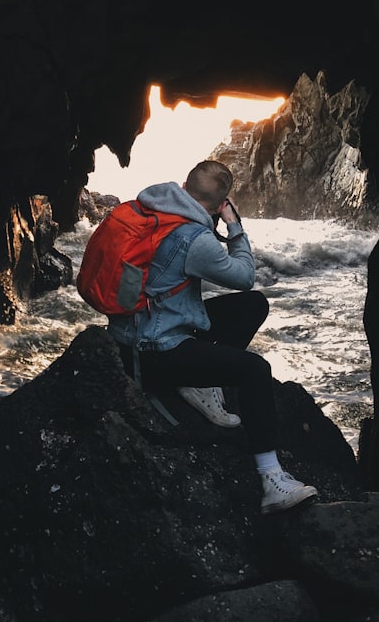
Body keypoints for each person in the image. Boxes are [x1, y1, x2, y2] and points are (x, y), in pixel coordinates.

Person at [107, 160, 319, 515]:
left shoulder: (152, 207)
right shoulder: (195, 239)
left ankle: (198, 386)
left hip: (131, 332)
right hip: (158, 351)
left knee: (253, 306)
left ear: (185, 185)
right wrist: (234, 226)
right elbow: (244, 274)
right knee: (254, 370)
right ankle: (272, 479)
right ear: (222, 203)